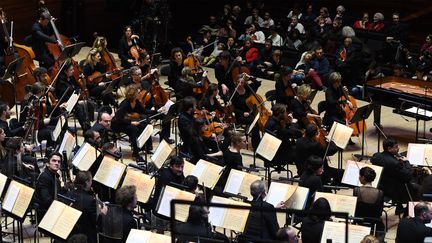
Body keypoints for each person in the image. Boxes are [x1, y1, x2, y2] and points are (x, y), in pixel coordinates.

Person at [371, 137, 416, 215]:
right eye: (396, 147)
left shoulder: (376, 156)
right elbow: (408, 176)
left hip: (380, 185)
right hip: (393, 190)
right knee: (416, 189)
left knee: (395, 177)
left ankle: (399, 207)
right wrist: (406, 162)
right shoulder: (395, 163)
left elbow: (373, 160)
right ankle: (407, 212)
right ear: (389, 148)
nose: (398, 149)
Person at [111, 84, 150, 162]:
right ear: (134, 95)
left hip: (127, 122)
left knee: (144, 125)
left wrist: (158, 111)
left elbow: (144, 111)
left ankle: (143, 147)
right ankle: (135, 154)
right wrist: (131, 123)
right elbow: (118, 118)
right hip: (117, 124)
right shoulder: (124, 104)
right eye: (138, 92)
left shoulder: (136, 102)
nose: (140, 94)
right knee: (133, 129)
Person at [56, 61, 94, 132]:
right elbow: (64, 97)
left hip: (74, 99)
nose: (73, 71)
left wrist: (78, 91)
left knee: (89, 103)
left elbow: (77, 86)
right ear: (65, 71)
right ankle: (85, 129)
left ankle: (87, 124)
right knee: (79, 108)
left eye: (73, 69)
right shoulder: (61, 82)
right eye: (71, 70)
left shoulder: (71, 77)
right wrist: (75, 97)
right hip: (65, 102)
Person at [70, 171, 107, 243]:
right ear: (87, 182)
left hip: (72, 234)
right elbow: (95, 222)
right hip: (86, 236)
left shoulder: (69, 194)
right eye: (91, 181)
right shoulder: (90, 200)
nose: (91, 183)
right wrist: (102, 213)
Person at [353, 166, 384, 231]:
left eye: (360, 176)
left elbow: (355, 209)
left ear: (363, 177)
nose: (359, 177)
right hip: (374, 223)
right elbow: (380, 212)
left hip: (359, 221)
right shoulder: (380, 193)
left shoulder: (356, 190)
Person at [35, 152, 63, 219]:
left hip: (51, 207)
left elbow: (58, 192)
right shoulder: (45, 177)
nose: (57, 163)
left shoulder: (54, 175)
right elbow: (47, 200)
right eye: (54, 161)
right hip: (45, 212)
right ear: (47, 163)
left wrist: (66, 187)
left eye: (59, 162)